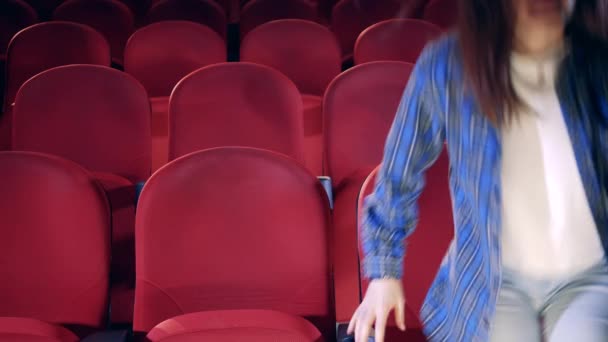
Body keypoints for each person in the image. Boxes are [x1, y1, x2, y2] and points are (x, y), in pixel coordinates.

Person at [347, 0, 608, 341]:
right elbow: (398, 176)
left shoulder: (598, 64)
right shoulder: (446, 65)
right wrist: (383, 274)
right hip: (494, 279)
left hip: (590, 274)